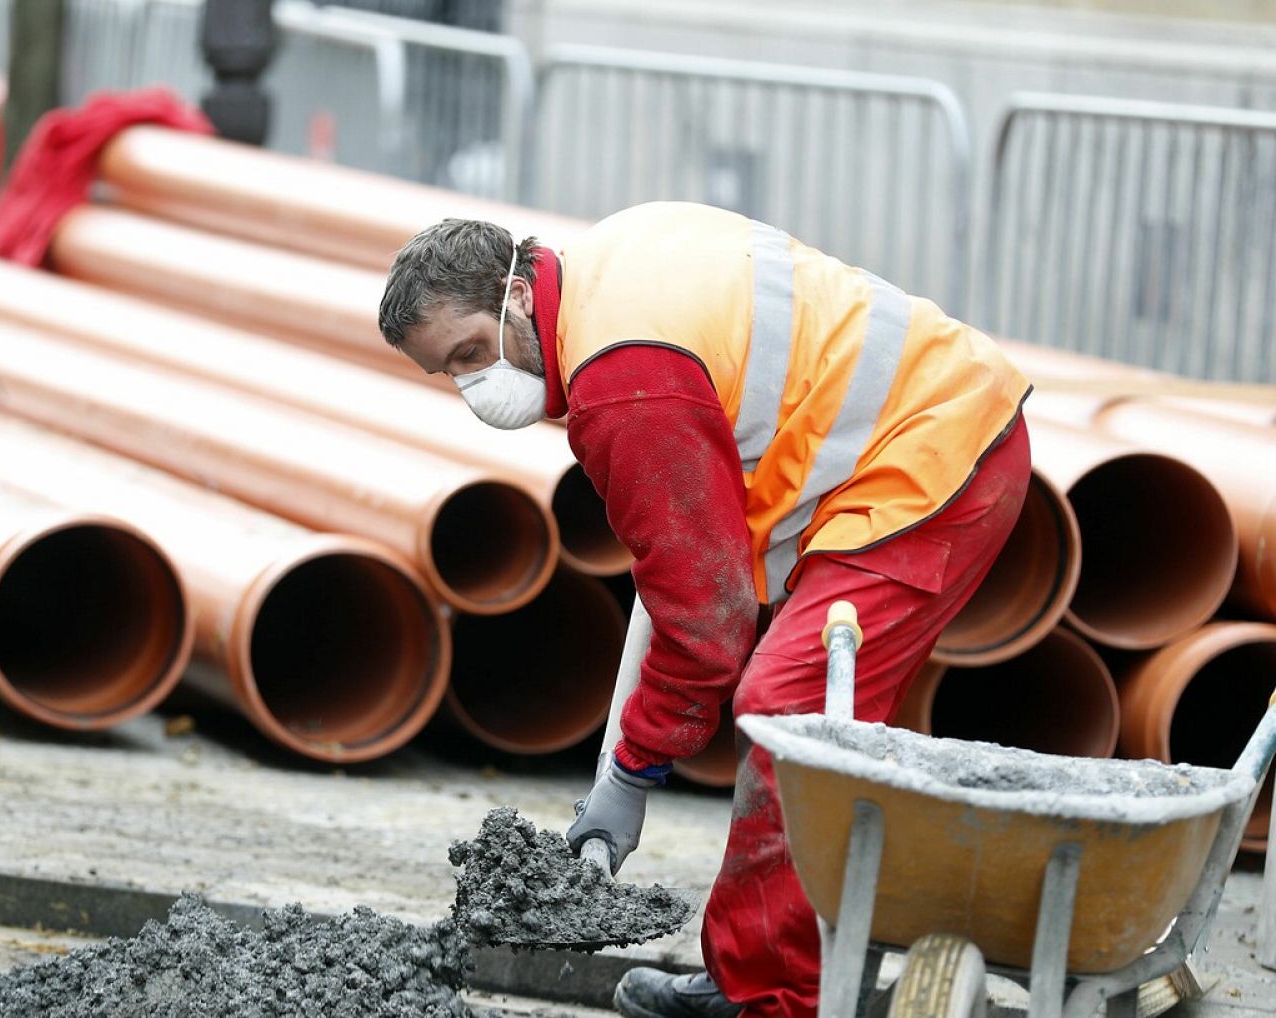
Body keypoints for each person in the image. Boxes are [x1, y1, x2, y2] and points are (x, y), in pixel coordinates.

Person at [378, 202, 1030, 1018]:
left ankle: (776, 1002)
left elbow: (708, 623)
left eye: (472, 353)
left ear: (514, 295)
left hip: (936, 457)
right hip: (916, 430)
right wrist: (630, 765)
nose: (474, 385)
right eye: (451, 373)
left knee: (790, 712)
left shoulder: (621, 382)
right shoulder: (599, 274)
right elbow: (681, 569)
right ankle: (753, 979)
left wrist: (631, 771)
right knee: (794, 718)